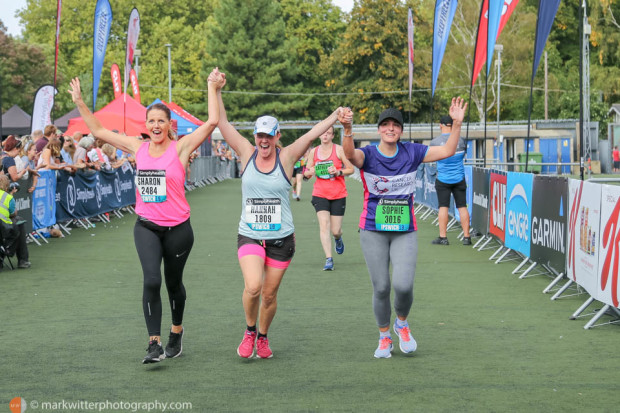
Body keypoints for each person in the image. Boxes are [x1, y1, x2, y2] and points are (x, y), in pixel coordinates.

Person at [68, 71, 224, 364]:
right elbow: (100, 132)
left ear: (168, 125)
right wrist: (79, 103)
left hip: (178, 229)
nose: (155, 125)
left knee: (173, 283)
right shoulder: (137, 148)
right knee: (151, 280)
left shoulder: (181, 147)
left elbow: (212, 122)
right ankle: (154, 343)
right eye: (151, 120)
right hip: (146, 227)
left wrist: (211, 87)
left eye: (160, 121)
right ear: (146, 125)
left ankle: (176, 331)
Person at [210, 67, 350, 359]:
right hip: (249, 234)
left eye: (268, 136)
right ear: (255, 136)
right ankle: (249, 330)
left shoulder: (286, 158)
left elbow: (312, 133)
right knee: (253, 287)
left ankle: (262, 336)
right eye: (260, 135)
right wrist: (216, 90)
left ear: (277, 137)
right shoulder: (246, 152)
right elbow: (221, 123)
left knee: (270, 295)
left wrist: (335, 117)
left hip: (281, 238)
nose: (263, 141)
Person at [342, 99, 466, 359]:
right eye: (385, 124)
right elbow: (351, 156)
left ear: (401, 130)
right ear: (379, 130)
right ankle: (384, 336)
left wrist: (456, 124)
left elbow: (446, 151)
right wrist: (348, 130)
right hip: (373, 229)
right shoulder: (369, 154)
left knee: (404, 285)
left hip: (404, 230)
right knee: (382, 287)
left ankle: (402, 323)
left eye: (395, 125)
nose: (390, 129)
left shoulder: (412, 152)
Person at [303, 126, 355, 270]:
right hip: (320, 194)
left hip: (338, 194)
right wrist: (310, 172)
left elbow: (351, 169)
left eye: (328, 133)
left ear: (332, 136)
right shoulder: (314, 152)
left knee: (335, 230)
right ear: (319, 136)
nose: (325, 136)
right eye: (323, 133)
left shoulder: (339, 150)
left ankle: (338, 239)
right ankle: (329, 259)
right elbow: (306, 173)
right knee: (324, 225)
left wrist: (338, 172)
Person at [429, 115, 471, 246]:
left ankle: (443, 237)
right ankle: (467, 237)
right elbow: (463, 154)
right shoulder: (461, 140)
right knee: (462, 206)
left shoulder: (435, 142)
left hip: (443, 179)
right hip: (459, 178)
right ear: (452, 125)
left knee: (443, 207)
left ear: (441, 125)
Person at [0, 175, 31, 269]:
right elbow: (12, 213)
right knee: (19, 222)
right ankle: (22, 260)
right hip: (3, 229)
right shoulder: (8, 197)